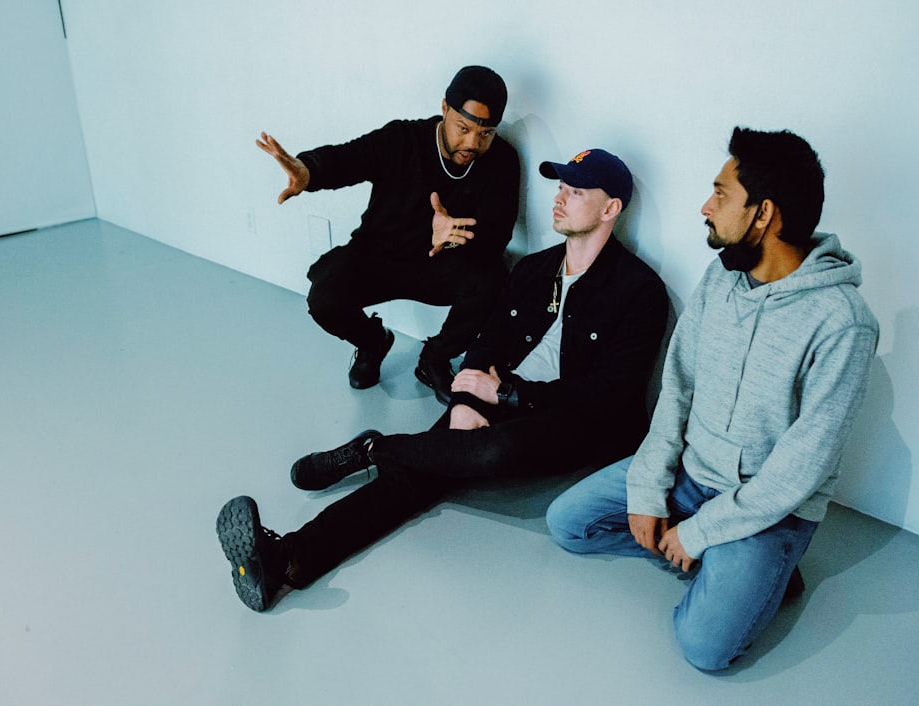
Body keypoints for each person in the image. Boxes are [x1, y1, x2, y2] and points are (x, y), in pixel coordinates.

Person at [217, 148, 669, 612]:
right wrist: (463, 401)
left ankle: (371, 450)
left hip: (572, 418)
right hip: (500, 392)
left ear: (610, 208)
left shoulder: (640, 292)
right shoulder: (535, 269)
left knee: (495, 449)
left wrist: (509, 393)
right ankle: (286, 559)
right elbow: (489, 339)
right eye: (560, 187)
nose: (560, 198)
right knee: (414, 477)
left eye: (576, 192)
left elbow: (609, 395)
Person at [546, 127, 880, 671]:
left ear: (764, 214)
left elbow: (800, 470)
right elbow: (676, 387)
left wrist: (703, 532)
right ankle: (723, 563)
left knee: (704, 649)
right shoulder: (720, 279)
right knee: (569, 524)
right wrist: (652, 487)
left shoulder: (843, 324)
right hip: (690, 474)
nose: (706, 206)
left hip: (769, 507)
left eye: (721, 194)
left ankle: (753, 565)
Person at [256, 66, 520, 402]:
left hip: (440, 265)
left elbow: (498, 236)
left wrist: (451, 237)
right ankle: (373, 343)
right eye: (463, 128)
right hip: (379, 255)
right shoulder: (403, 139)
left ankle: (434, 359)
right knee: (324, 297)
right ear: (444, 108)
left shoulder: (502, 161)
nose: (472, 143)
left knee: (493, 279)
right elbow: (348, 159)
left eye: (486, 134)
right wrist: (308, 172)